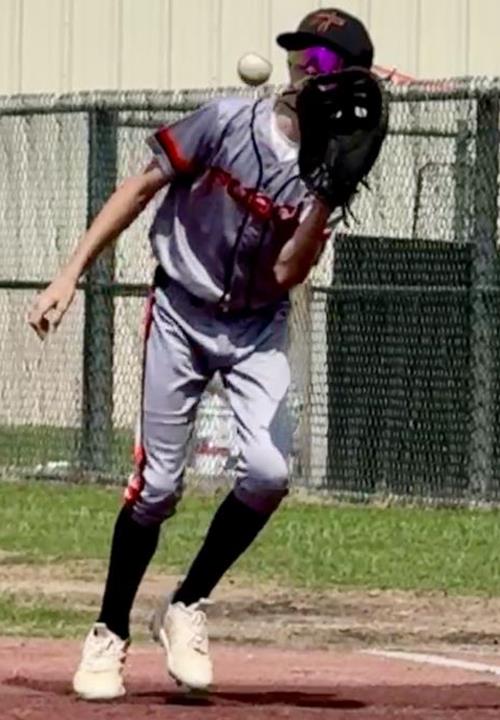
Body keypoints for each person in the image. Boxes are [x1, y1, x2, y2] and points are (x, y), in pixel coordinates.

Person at [28, 6, 375, 702]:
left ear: (346, 80)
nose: (303, 67)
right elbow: (139, 188)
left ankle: (185, 604)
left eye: (321, 61)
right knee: (156, 487)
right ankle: (108, 632)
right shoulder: (225, 121)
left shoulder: (330, 168)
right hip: (181, 311)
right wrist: (70, 273)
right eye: (298, 53)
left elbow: (288, 272)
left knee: (270, 472)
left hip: (257, 324)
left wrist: (326, 201)